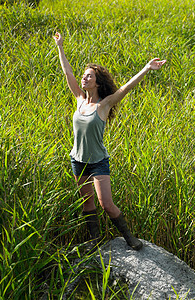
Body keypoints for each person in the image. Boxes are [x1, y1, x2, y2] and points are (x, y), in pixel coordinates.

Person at [53, 32, 166, 251]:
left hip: (97, 162)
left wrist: (146, 68)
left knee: (106, 203)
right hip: (78, 160)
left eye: (88, 77)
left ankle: (128, 237)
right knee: (87, 203)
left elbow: (126, 88)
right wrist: (60, 46)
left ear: (97, 83)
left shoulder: (103, 106)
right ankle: (95, 240)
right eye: (84, 76)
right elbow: (67, 72)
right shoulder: (79, 100)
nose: (84, 78)